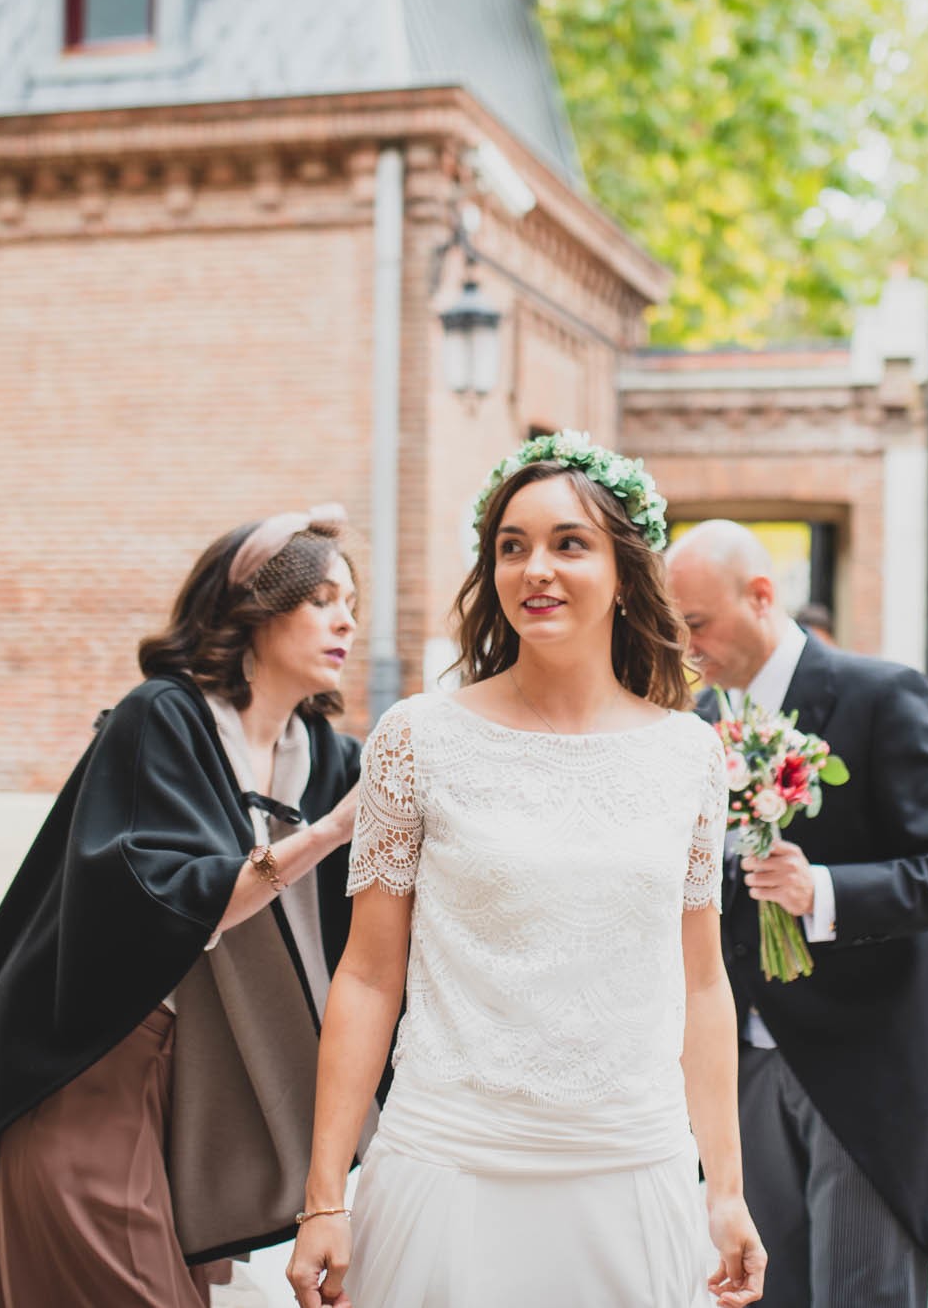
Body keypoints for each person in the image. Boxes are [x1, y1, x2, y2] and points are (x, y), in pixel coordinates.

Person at [286, 433, 767, 1308]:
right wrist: (326, 1195)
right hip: (452, 1169)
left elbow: (702, 983)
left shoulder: (690, 755)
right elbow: (364, 973)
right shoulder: (416, 739)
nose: (534, 569)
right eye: (513, 546)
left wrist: (725, 1190)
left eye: (567, 543)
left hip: (630, 1170)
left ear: (624, 569)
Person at [0, 508, 367, 1306]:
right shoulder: (162, 716)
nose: (346, 617)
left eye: (352, 599)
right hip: (83, 1068)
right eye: (320, 598)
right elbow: (171, 895)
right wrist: (329, 832)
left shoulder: (325, 757)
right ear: (252, 611)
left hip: (197, 1098)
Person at [665, 520, 928, 1308]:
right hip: (741, 1066)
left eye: (698, 624)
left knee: (862, 1293)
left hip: (862, 1069)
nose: (686, 646)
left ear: (763, 596)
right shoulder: (694, 723)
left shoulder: (881, 695)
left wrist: (826, 892)